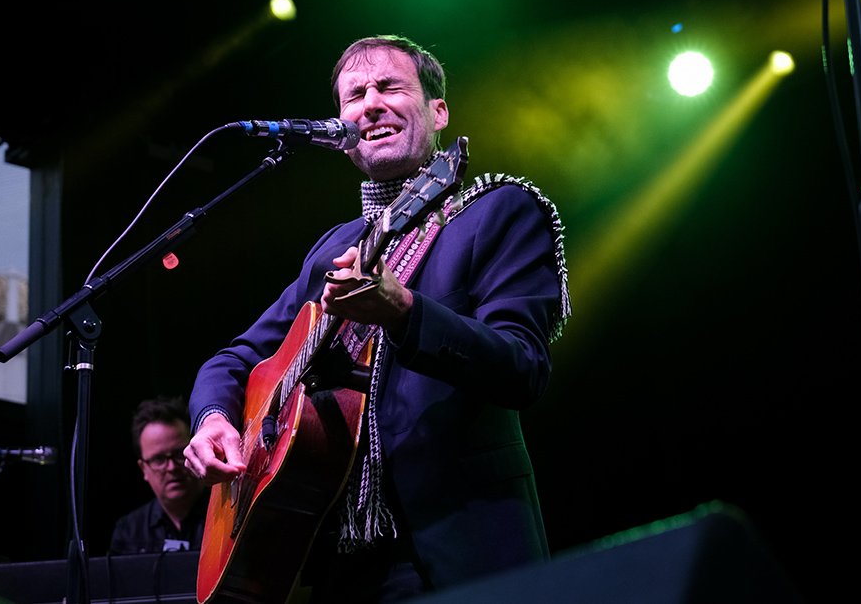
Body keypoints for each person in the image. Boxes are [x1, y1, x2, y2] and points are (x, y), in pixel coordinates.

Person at [184, 35, 570, 602]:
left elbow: (523, 367)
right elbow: (236, 358)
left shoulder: (499, 210)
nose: (369, 103)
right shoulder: (336, 249)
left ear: (438, 111)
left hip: (460, 546)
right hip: (335, 557)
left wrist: (404, 312)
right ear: (341, 131)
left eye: (390, 87)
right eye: (354, 95)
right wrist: (213, 419)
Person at [109, 396, 207, 555]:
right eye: (158, 459)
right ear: (143, 469)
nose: (171, 467)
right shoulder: (129, 531)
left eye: (179, 453)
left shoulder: (228, 514)